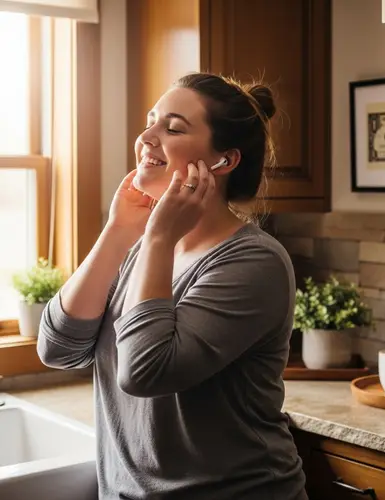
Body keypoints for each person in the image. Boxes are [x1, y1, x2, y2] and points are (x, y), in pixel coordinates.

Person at [37, 72, 308, 500]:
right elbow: (58, 350)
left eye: (173, 127)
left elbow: (146, 371)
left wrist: (159, 237)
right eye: (150, 121)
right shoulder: (138, 248)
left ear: (225, 161)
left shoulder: (254, 261)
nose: (146, 136)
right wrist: (118, 230)